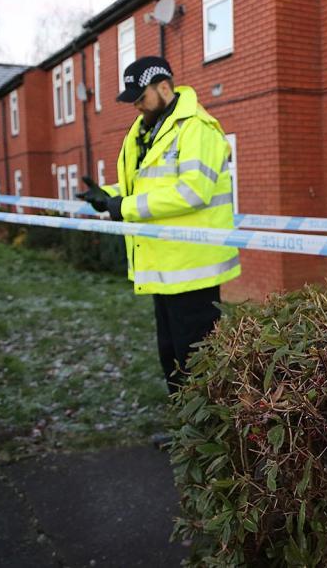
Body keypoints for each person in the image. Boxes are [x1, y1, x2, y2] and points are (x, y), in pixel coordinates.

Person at [77, 56, 240, 399]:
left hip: (195, 270)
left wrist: (124, 207)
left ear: (164, 87)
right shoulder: (149, 130)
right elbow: (146, 188)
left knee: (199, 364)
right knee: (172, 359)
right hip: (164, 267)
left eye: (140, 97)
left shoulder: (197, 128)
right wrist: (106, 196)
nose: (136, 106)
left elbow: (193, 191)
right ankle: (185, 435)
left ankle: (205, 444)